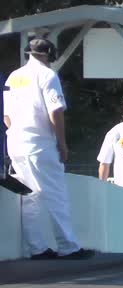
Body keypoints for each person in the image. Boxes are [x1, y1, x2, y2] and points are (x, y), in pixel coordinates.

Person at [2, 38, 94, 259]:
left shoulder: (14, 76)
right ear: (50, 55)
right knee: (56, 194)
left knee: (28, 196)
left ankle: (37, 248)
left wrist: (19, 132)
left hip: (15, 143)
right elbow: (56, 112)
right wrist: (61, 143)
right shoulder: (47, 75)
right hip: (40, 144)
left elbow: (6, 116)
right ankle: (68, 247)